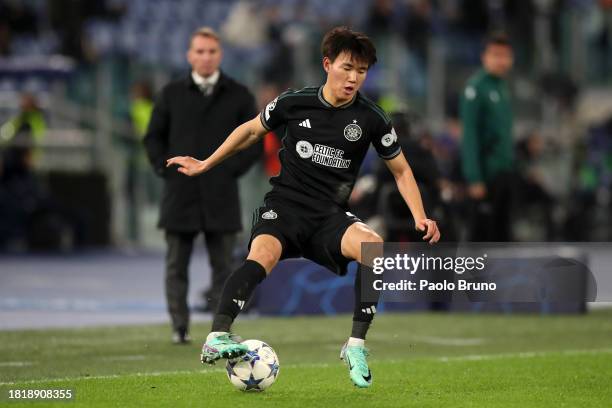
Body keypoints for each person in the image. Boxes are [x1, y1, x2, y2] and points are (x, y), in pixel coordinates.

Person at [167, 26, 440, 388]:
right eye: (347, 68)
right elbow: (250, 131)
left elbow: (402, 170)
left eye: (361, 71)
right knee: (260, 255)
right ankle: (218, 335)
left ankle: (355, 345)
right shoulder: (293, 103)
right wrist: (205, 163)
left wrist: (420, 215)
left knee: (373, 247)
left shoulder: (372, 118)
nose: (353, 78)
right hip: (285, 206)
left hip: (329, 216)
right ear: (327, 64)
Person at [144, 27, 261, 344]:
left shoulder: (239, 94)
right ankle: (178, 328)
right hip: (179, 193)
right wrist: (164, 169)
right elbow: (153, 137)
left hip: (221, 194)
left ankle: (220, 328)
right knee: (176, 266)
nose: (205, 57)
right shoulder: (171, 94)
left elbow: (255, 141)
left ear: (219, 55)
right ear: (189, 55)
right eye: (199, 51)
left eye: (211, 51)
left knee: (224, 268)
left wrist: (228, 171)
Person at [460, 33, 515, 242]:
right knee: (483, 237)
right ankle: (476, 276)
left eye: (505, 55)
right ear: (484, 57)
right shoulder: (476, 88)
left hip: (504, 171)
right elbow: (470, 136)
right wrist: (474, 178)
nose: (501, 60)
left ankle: (501, 276)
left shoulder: (501, 87)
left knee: (503, 234)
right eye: (496, 55)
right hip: (486, 174)